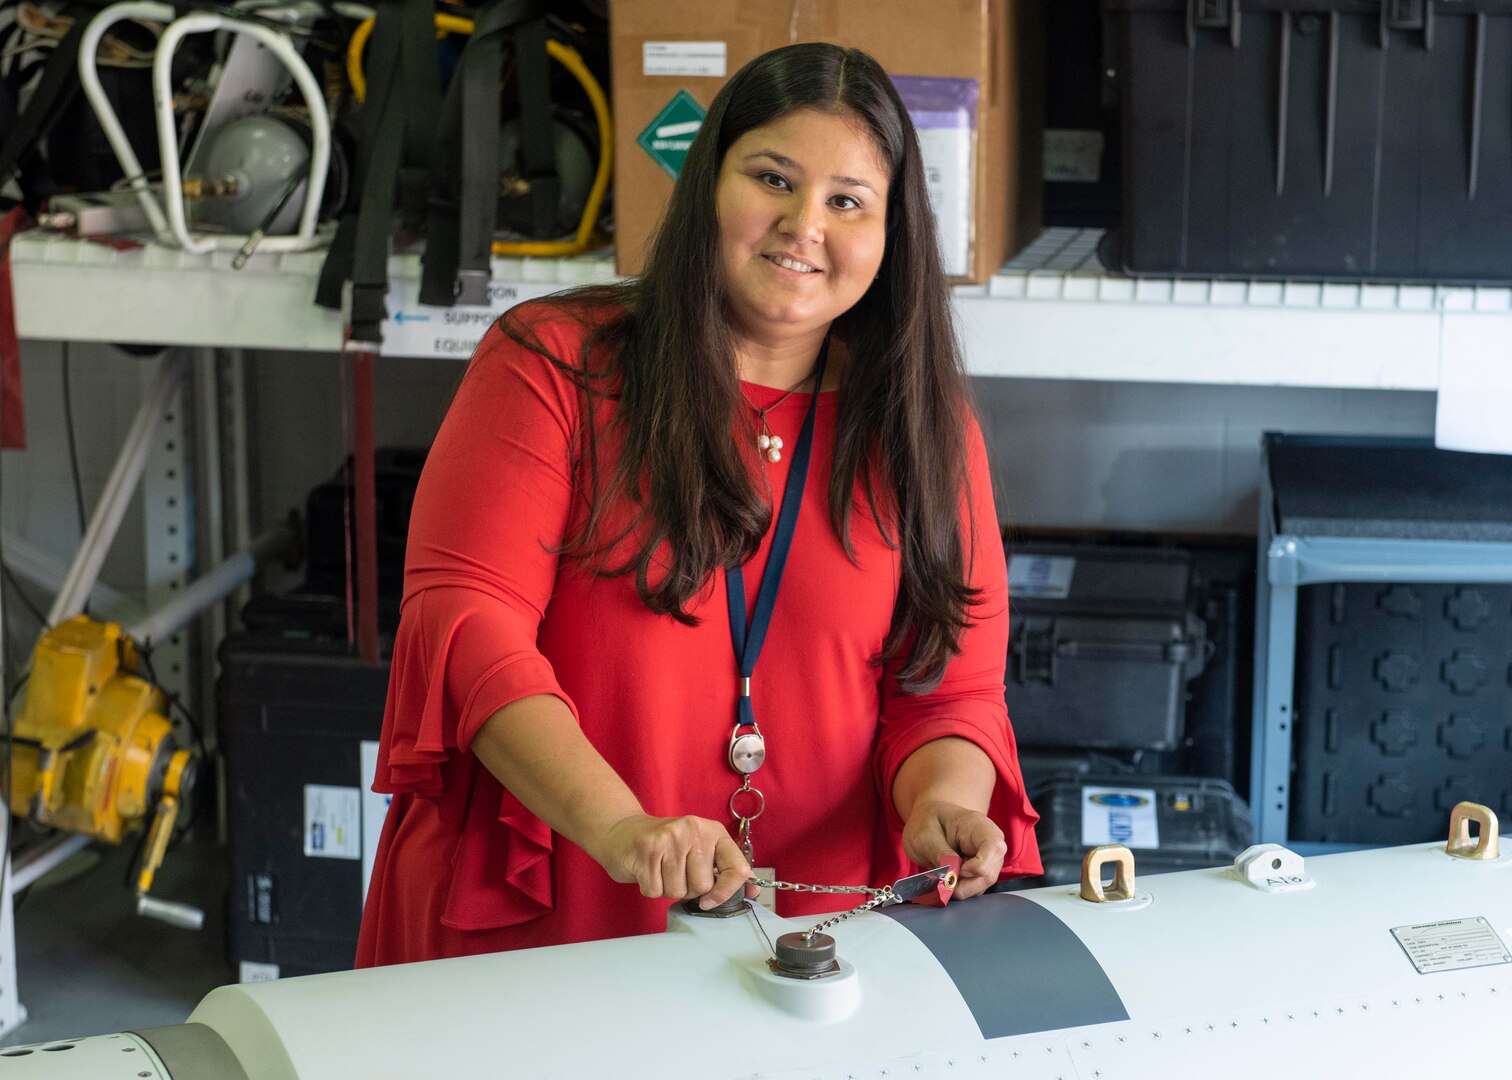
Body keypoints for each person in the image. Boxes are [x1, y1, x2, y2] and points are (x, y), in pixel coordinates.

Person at [356, 42, 1041, 967]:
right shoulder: (552, 363)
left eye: (848, 200)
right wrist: (622, 829)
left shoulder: (925, 426)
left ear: (891, 233)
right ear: (709, 184)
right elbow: (468, 627)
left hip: (811, 936)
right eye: (774, 178)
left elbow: (947, 690)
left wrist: (942, 803)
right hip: (556, 899)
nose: (806, 226)